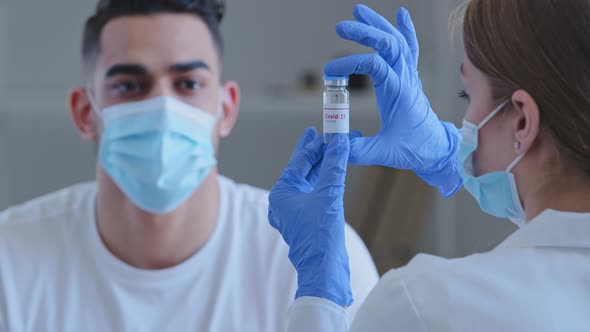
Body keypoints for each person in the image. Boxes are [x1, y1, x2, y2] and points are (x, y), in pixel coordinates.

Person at [0, 1, 379, 331]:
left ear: (226, 109)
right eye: (130, 85)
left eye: (188, 84)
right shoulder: (10, 264)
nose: (164, 108)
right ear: (85, 113)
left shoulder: (311, 258)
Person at [269, 1, 590, 331]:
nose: (465, 121)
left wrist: (320, 290)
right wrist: (449, 159)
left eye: (466, 95)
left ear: (523, 120)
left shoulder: (424, 306)